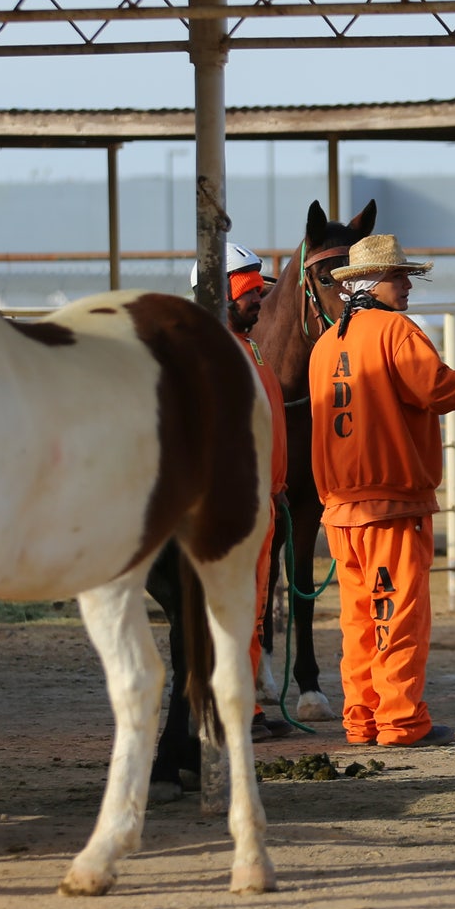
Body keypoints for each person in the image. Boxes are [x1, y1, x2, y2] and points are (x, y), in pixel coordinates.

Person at [308, 234, 455, 747]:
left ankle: (362, 720)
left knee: (358, 620)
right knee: (396, 613)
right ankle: (400, 723)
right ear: (372, 283)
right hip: (392, 501)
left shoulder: (327, 344)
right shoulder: (397, 332)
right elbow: (440, 390)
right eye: (399, 276)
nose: (407, 285)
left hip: (340, 507)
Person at [192, 241, 291, 737]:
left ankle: (245, 708)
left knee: (251, 613)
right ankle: (226, 711)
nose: (259, 301)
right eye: (249, 292)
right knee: (230, 612)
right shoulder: (211, 355)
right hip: (233, 508)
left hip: (262, 505)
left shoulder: (249, 348)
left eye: (259, 291)